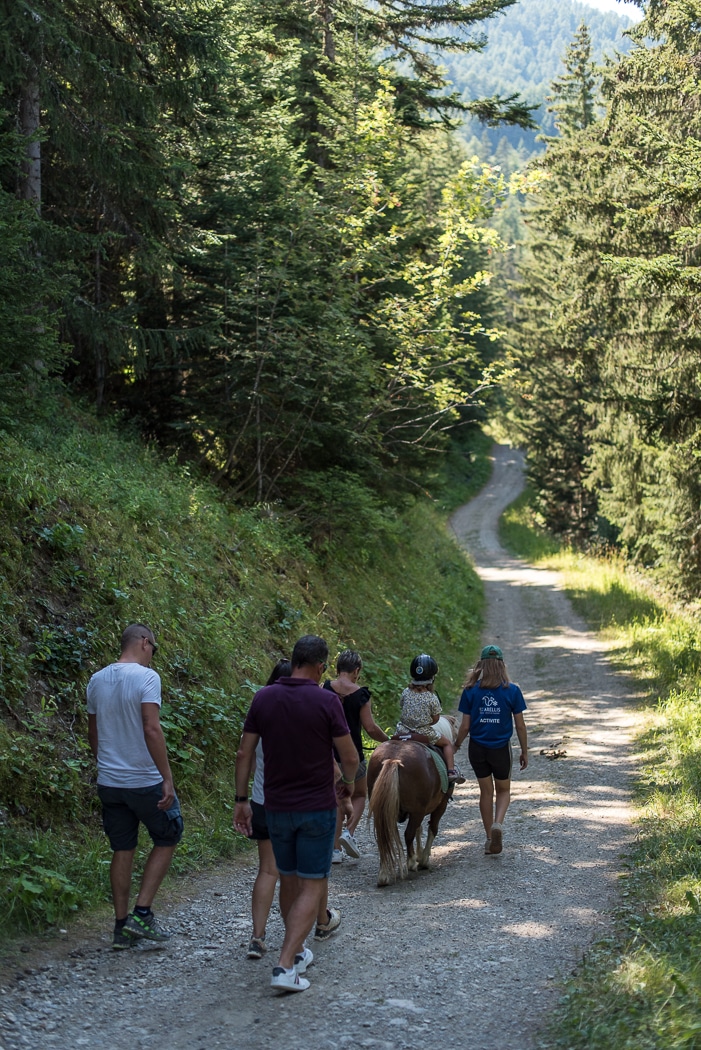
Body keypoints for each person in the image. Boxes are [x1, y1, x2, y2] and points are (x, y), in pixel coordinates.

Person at [234, 634, 358, 993]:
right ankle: (285, 964)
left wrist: (242, 799)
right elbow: (349, 757)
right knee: (314, 881)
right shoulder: (326, 701)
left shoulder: (264, 698)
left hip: (274, 807)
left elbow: (244, 754)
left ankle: (299, 950)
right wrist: (347, 783)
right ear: (321, 667)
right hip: (316, 808)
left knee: (287, 878)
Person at [86, 623, 183, 949]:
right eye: (153, 649)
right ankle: (142, 913)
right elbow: (151, 729)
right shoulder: (146, 677)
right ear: (144, 642)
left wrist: (109, 765)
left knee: (122, 848)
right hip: (143, 781)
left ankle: (120, 926)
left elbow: (94, 736)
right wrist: (167, 777)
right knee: (169, 834)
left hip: (109, 782)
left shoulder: (96, 680)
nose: (152, 656)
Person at [245, 658, 341, 960]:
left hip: (263, 801)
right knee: (310, 875)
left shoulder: (261, 708)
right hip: (302, 803)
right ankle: (315, 927)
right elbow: (333, 766)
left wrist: (241, 799)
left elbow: (244, 753)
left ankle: (258, 937)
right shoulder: (305, 713)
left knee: (268, 871)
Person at [455, 643, 528, 856]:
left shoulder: (470, 691)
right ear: (502, 665)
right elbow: (520, 725)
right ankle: (498, 823)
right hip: (500, 749)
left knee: (486, 792)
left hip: (477, 749)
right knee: (503, 790)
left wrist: (457, 744)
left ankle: (489, 839)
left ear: (481, 666)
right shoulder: (512, 691)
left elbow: (465, 726)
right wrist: (524, 750)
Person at [324, 649, 388, 863]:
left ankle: (334, 851)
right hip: (353, 754)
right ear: (356, 670)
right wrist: (388, 740)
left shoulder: (324, 688)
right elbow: (370, 727)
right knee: (359, 794)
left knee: (335, 799)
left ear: (337, 668)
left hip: (327, 755)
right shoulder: (361, 695)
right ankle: (348, 833)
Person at [395, 653, 462, 782]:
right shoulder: (431, 697)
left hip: (402, 730)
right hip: (423, 732)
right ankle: (451, 771)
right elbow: (436, 719)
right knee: (447, 743)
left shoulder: (405, 692)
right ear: (432, 677)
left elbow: (402, 706)